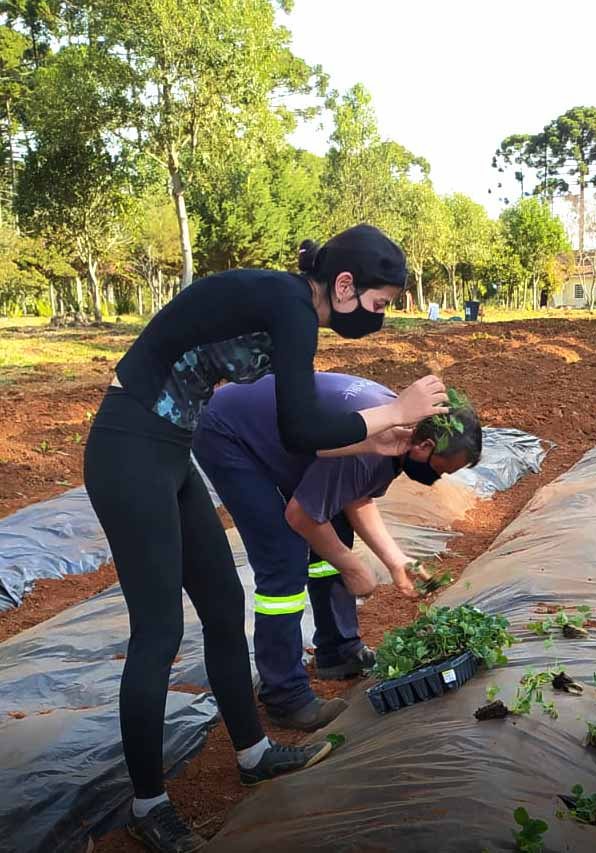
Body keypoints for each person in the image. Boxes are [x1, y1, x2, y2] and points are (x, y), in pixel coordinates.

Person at [82, 225, 449, 853]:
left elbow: (299, 429)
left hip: (169, 447)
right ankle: (150, 804)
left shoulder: (290, 308)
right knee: (159, 631)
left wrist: (371, 440)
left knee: (224, 608)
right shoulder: (289, 306)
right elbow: (300, 422)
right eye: (380, 304)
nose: (379, 319)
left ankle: (252, 753)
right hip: (128, 446)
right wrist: (397, 411)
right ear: (344, 285)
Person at [193, 372, 482, 730]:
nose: (439, 478)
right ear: (424, 448)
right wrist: (350, 566)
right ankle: (285, 696)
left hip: (271, 424)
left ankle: (338, 650)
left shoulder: (403, 427)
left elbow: (353, 495)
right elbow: (300, 515)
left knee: (334, 527)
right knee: (283, 558)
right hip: (230, 433)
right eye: (442, 469)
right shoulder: (379, 437)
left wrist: (395, 561)